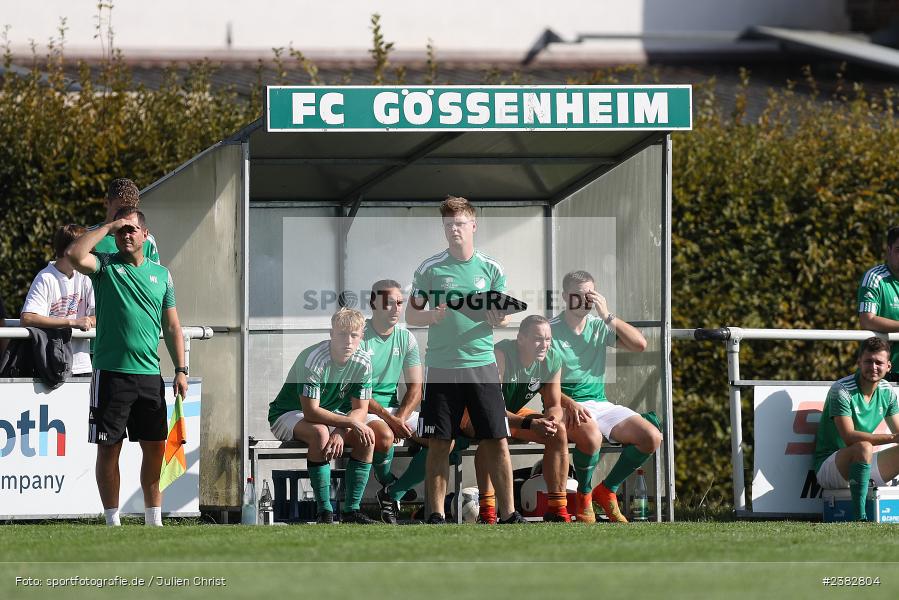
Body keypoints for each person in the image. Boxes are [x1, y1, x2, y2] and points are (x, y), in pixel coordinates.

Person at [66, 207, 188, 527]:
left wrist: (181, 370)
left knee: (155, 449)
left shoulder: (162, 275)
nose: (126, 234)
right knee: (109, 449)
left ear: (146, 236)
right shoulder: (105, 267)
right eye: (122, 231)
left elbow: (173, 326)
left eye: (132, 229)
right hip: (111, 374)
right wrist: (109, 226)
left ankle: (153, 519)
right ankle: (112, 520)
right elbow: (75, 253)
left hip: (149, 376)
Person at [407, 196, 525, 524]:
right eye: (448, 225)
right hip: (442, 367)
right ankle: (435, 514)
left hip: (481, 364)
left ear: (473, 225)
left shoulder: (491, 268)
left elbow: (503, 317)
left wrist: (496, 318)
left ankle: (509, 513)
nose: (454, 230)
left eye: (459, 223)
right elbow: (410, 315)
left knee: (497, 438)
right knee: (440, 441)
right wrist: (431, 316)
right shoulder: (430, 268)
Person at [551, 270, 662, 523]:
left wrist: (608, 316)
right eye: (577, 295)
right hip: (565, 405)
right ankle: (584, 494)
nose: (584, 301)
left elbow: (639, 345)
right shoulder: (551, 330)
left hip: (601, 404)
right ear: (565, 297)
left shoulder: (599, 326)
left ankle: (607, 490)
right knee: (591, 435)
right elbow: (543, 382)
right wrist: (569, 403)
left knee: (651, 437)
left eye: (589, 294)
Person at [267, 307, 377, 524]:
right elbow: (311, 411)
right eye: (342, 334)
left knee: (368, 435)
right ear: (331, 334)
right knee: (320, 433)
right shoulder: (314, 359)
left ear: (361, 336)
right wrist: (344, 426)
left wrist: (341, 430)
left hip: (331, 417)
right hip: (287, 413)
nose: (348, 341)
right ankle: (324, 512)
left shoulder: (364, 361)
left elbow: (361, 409)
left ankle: (351, 511)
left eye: (354, 335)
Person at [465, 315, 571, 523]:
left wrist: (551, 420)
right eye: (538, 339)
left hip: (510, 414)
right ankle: (487, 510)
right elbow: (489, 408)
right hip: (473, 413)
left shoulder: (553, 360)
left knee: (559, 431)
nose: (544, 345)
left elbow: (554, 404)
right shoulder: (501, 354)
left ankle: (557, 508)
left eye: (548, 339)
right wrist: (530, 423)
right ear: (520, 339)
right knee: (494, 433)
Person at [362, 280, 427, 524]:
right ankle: (387, 480)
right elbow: (357, 395)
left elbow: (416, 388)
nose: (395, 308)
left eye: (399, 303)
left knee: (443, 437)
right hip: (361, 408)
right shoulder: (359, 336)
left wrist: (398, 418)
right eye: (388, 303)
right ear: (373, 304)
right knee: (385, 435)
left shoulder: (406, 338)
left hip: (393, 411)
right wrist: (391, 422)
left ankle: (393, 492)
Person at [813, 337, 899, 521]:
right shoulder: (841, 390)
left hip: (862, 466)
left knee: (865, 448)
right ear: (859, 362)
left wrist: (896, 437)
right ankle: (859, 517)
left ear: (889, 366)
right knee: (863, 446)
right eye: (868, 361)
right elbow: (850, 438)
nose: (873, 367)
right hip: (830, 467)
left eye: (879, 362)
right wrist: (892, 438)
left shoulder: (887, 391)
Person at [20, 224, 95, 375]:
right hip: (51, 365)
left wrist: (90, 321)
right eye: (84, 250)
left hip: (82, 365)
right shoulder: (45, 277)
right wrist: (72, 323)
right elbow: (27, 317)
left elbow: (100, 315)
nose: (89, 255)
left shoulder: (85, 277)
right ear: (70, 251)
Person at [858, 226, 899, 382]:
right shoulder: (875, 277)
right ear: (888, 250)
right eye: (898, 250)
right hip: (882, 371)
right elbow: (867, 320)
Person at [89, 178, 160, 261]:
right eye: (119, 209)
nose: (124, 217)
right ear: (106, 203)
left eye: (130, 210)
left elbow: (154, 273)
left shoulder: (147, 240)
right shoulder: (88, 236)